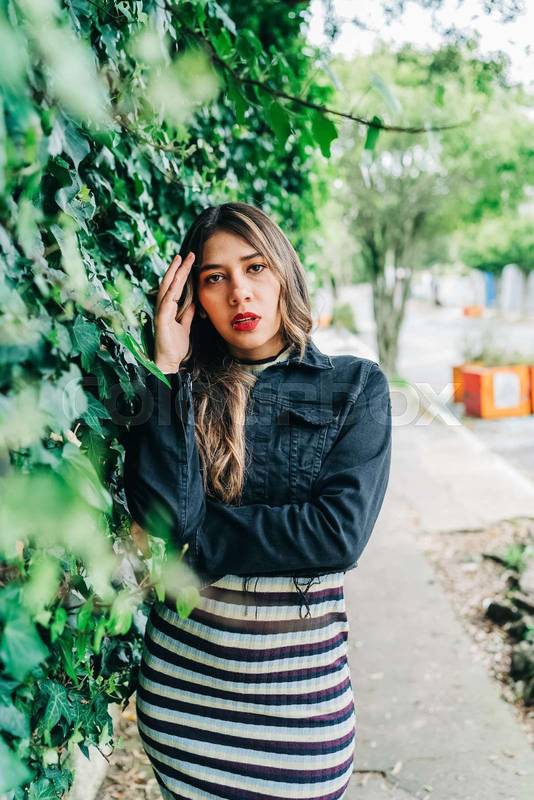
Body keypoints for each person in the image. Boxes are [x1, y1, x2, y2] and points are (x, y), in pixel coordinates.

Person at [121, 201, 392, 800]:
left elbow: (336, 536)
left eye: (256, 267)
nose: (239, 292)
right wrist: (166, 368)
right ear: (192, 298)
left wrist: (199, 540)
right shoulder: (177, 390)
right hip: (184, 700)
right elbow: (166, 518)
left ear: (285, 274)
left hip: (302, 711)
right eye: (215, 278)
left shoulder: (355, 387)